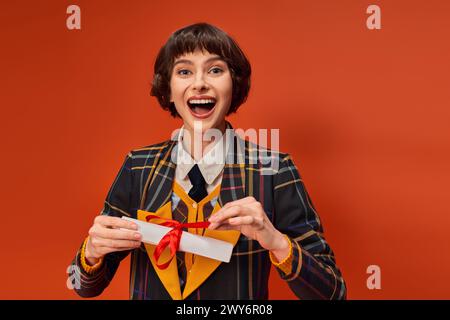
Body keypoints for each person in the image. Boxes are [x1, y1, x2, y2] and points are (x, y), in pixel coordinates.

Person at [68, 22, 347, 300]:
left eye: (215, 70)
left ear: (234, 84)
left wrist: (275, 241)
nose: (199, 83)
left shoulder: (274, 169)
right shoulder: (137, 166)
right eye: (184, 71)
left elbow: (333, 293)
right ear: (168, 88)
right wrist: (91, 253)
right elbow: (81, 286)